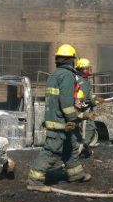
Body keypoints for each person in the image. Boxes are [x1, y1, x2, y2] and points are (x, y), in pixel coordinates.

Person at [27, 44, 91, 187]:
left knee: (70, 147)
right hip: (60, 121)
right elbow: (66, 102)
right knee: (51, 151)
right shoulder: (67, 75)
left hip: (56, 119)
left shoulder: (54, 75)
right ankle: (34, 180)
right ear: (71, 60)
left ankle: (76, 175)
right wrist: (74, 118)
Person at [74, 58, 99, 156]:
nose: (88, 70)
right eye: (87, 68)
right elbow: (85, 98)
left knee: (80, 132)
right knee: (90, 128)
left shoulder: (80, 78)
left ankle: (83, 149)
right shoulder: (82, 81)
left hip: (80, 110)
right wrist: (94, 102)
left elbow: (89, 94)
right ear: (81, 69)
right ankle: (81, 150)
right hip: (84, 111)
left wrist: (96, 98)